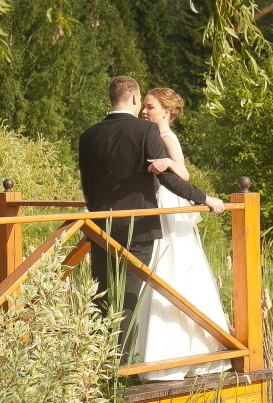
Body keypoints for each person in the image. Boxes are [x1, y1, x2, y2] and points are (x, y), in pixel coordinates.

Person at [78, 76, 225, 362]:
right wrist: (204, 199)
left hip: (99, 226)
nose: (144, 110)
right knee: (130, 300)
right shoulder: (146, 131)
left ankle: (95, 367)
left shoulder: (89, 135)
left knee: (101, 297)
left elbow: (88, 187)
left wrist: (96, 218)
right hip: (139, 228)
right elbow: (169, 180)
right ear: (134, 99)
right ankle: (118, 372)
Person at [136, 87, 232, 380]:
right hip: (160, 204)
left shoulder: (165, 137)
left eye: (150, 107)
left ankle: (186, 350)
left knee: (175, 265)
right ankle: (163, 352)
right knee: (162, 269)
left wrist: (167, 163)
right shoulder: (152, 136)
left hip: (168, 206)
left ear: (165, 111)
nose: (145, 111)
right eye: (145, 107)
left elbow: (184, 174)